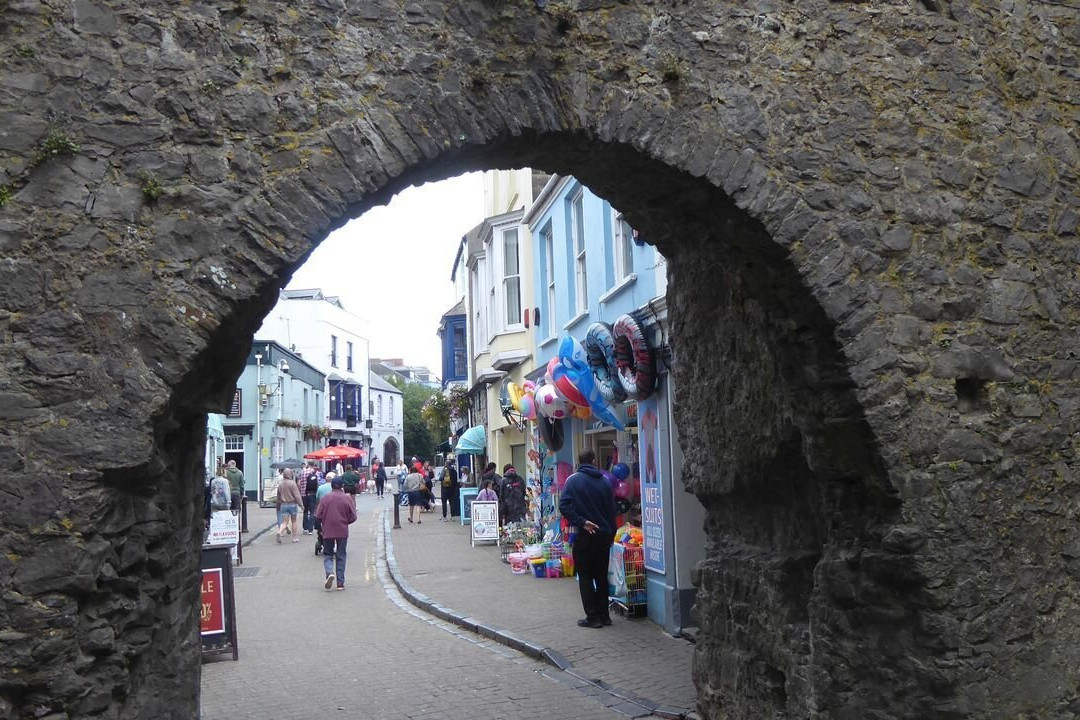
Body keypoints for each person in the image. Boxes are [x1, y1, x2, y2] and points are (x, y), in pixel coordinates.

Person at [559, 450, 616, 629]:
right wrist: (611, 534)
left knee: (584, 575)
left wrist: (582, 522)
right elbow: (612, 511)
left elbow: (563, 505)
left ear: (578, 462)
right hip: (604, 535)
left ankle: (592, 617)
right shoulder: (605, 482)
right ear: (593, 461)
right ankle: (604, 615)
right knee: (601, 576)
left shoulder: (573, 481)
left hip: (586, 535)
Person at [315, 477, 357, 590]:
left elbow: (318, 515)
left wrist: (324, 522)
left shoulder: (325, 498)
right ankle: (340, 583)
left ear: (332, 486)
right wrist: (345, 522)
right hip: (342, 530)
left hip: (328, 530)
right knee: (341, 555)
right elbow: (353, 516)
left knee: (328, 554)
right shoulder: (347, 498)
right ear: (342, 486)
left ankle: (329, 573)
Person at [275, 469, 303, 543]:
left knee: (285, 522)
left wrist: (278, 506)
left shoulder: (280, 484)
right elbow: (297, 496)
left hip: (283, 505)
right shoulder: (292, 483)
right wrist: (301, 505)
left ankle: (280, 531)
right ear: (290, 474)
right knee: (294, 521)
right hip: (292, 504)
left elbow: (278, 497)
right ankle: (294, 538)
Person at [314, 472, 335, 555]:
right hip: (332, 512)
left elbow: (317, 499)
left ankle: (321, 539)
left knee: (321, 528)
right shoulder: (336, 489)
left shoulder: (321, 488)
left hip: (322, 512)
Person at [301, 465, 319, 535]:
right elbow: (317, 484)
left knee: (305, 511)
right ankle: (310, 530)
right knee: (312, 512)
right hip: (312, 494)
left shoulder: (302, 472)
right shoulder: (314, 472)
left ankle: (305, 528)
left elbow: (299, 483)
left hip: (304, 495)